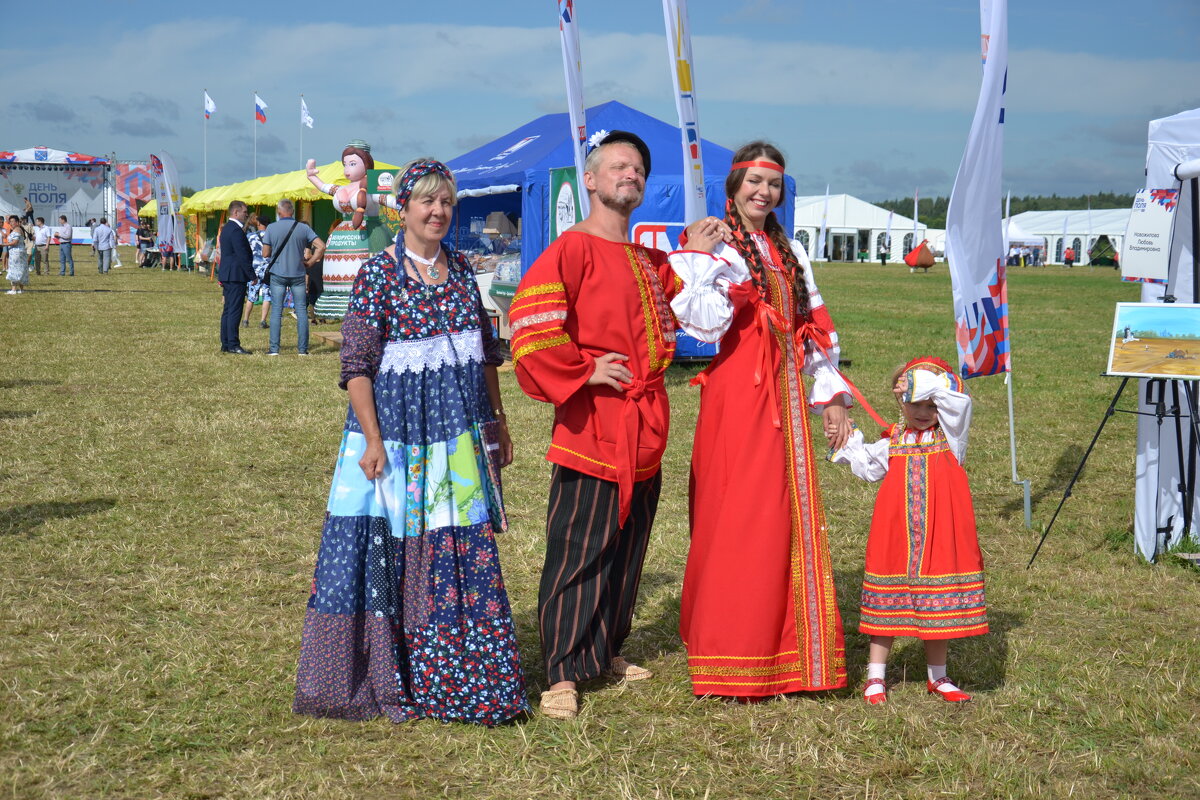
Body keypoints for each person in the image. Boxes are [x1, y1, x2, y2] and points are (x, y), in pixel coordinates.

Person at [293, 158, 527, 725]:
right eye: (427, 201)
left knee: (455, 542)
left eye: (446, 202)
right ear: (403, 209)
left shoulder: (465, 269)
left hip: (454, 439)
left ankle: (455, 674)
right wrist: (371, 441)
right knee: (390, 544)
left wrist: (497, 419)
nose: (439, 211)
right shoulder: (379, 274)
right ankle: (389, 671)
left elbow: (486, 354)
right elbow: (356, 368)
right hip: (394, 438)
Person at [667, 142, 853, 699]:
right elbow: (703, 326)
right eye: (753, 182)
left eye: (772, 185)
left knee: (784, 516)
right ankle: (733, 650)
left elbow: (812, 325)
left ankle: (789, 652)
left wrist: (833, 394)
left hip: (787, 395)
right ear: (734, 186)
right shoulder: (714, 243)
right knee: (740, 512)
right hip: (740, 394)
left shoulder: (788, 249)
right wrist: (698, 259)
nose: (762, 193)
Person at [510, 130, 678, 720]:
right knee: (579, 551)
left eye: (637, 169)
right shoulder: (569, 250)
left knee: (627, 552)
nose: (629, 175)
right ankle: (561, 674)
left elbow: (683, 297)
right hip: (592, 429)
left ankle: (603, 650)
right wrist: (584, 368)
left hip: (644, 430)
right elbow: (530, 332)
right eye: (617, 166)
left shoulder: (644, 259)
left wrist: (705, 248)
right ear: (590, 179)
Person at [831, 356, 987, 704]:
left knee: (936, 605)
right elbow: (868, 466)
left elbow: (958, 400)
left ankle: (938, 676)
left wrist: (920, 385)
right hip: (896, 532)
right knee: (886, 602)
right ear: (899, 400)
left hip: (940, 532)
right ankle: (875, 677)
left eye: (931, 404)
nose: (923, 410)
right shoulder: (894, 439)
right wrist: (845, 439)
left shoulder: (951, 434)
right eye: (914, 402)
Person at [261, 199, 323, 355]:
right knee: (301, 310)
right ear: (293, 212)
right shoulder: (303, 227)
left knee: (276, 310)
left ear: (278, 212)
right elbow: (321, 246)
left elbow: (265, 253)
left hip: (278, 273)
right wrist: (311, 262)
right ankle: (303, 349)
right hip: (298, 274)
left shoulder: (271, 228)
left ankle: (274, 349)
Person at [217, 201, 255, 355]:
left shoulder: (227, 228)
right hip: (236, 275)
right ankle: (233, 344)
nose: (246, 214)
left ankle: (226, 343)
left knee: (228, 310)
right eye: (244, 212)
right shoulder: (235, 230)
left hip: (228, 274)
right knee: (234, 311)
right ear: (236, 212)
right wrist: (252, 275)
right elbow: (242, 255)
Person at [241, 213, 272, 329]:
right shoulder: (271, 236)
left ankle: (245, 320)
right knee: (267, 295)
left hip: (254, 269)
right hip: (268, 269)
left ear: (258, 223)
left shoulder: (250, 236)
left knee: (251, 295)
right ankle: (263, 321)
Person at [5, 215, 30, 294]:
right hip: (18, 252)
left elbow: (15, 242)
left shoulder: (17, 230)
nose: (11, 223)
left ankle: (13, 289)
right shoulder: (17, 229)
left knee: (14, 269)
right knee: (20, 269)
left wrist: (4, 245)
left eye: (12, 221)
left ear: (17, 222)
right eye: (10, 221)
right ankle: (21, 289)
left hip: (16, 252)